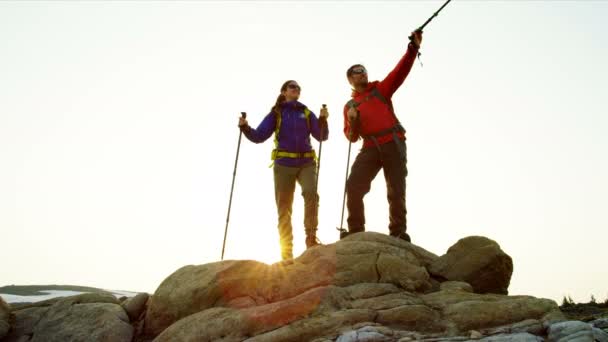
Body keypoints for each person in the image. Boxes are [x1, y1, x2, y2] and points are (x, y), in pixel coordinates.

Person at [341, 31, 423, 242]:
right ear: (350, 79)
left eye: (364, 71)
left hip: (392, 141)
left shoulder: (380, 90)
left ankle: (397, 232)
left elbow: (399, 72)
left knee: (396, 188)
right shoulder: (350, 105)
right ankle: (356, 230)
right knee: (354, 185)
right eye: (357, 72)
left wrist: (412, 48)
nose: (362, 74)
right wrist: (352, 120)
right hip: (370, 146)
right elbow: (351, 137)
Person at [238, 80, 329, 261]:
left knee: (311, 193)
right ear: (284, 92)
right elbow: (258, 136)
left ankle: (311, 237)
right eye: (292, 87)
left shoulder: (306, 111)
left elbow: (322, 136)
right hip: (284, 164)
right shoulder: (277, 113)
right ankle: (286, 252)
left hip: (306, 162)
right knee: (284, 208)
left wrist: (323, 120)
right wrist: (245, 127)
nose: (296, 89)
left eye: (298, 87)